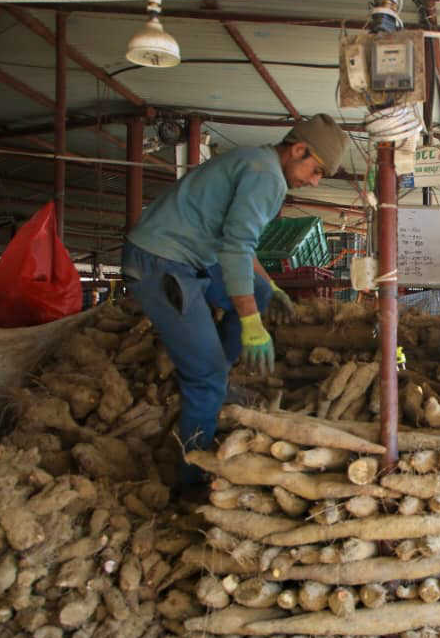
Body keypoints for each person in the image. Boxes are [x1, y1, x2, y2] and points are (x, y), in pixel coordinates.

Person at [121, 115, 349, 488]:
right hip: (162, 262)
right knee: (205, 377)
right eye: (316, 169)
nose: (313, 181)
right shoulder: (267, 176)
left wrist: (271, 288)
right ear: (298, 149)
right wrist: (250, 323)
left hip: (189, 256)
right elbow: (236, 248)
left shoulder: (257, 162)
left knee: (257, 292)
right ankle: (191, 478)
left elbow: (242, 244)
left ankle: (218, 377)